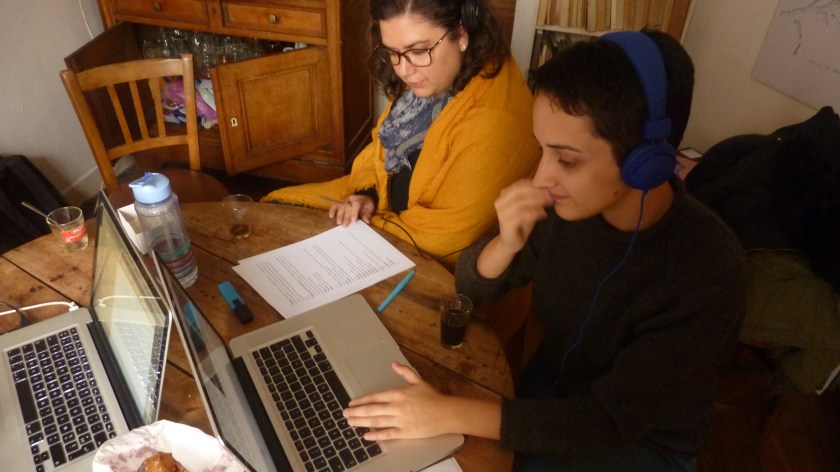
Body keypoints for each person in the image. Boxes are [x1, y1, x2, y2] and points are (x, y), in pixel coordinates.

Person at [341, 29, 748, 471]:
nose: (541, 179)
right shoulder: (564, 207)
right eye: (543, 151)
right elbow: (472, 286)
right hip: (548, 392)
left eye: (567, 160)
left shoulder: (710, 271)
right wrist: (506, 242)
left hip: (639, 441)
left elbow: (607, 421)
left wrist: (447, 412)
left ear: (644, 163)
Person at [261, 0, 540, 270]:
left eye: (418, 51)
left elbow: (445, 243)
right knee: (274, 210)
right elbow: (377, 152)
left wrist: (366, 221)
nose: (404, 70)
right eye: (392, 52)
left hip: (433, 266)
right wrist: (366, 196)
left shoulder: (495, 122)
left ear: (461, 35)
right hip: (384, 218)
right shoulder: (438, 78)